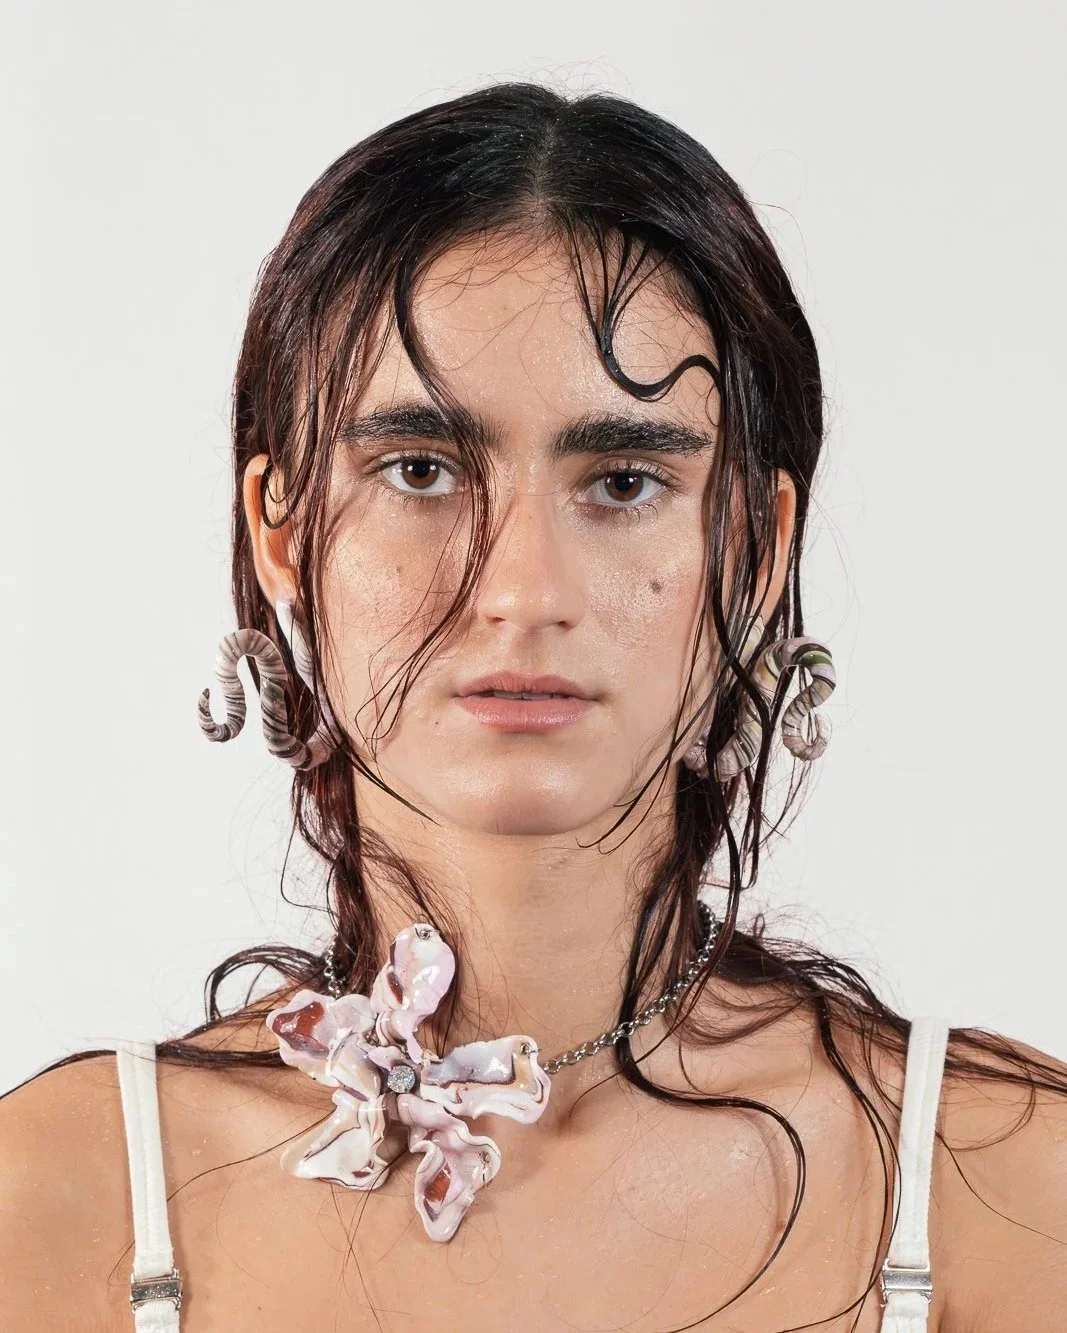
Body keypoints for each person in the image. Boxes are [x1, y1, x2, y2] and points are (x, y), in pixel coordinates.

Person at [2, 81, 1065, 1333]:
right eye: (419, 470)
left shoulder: (1004, 1184)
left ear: (752, 545)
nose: (521, 592)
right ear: (281, 536)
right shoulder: (58, 1197)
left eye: (621, 481)